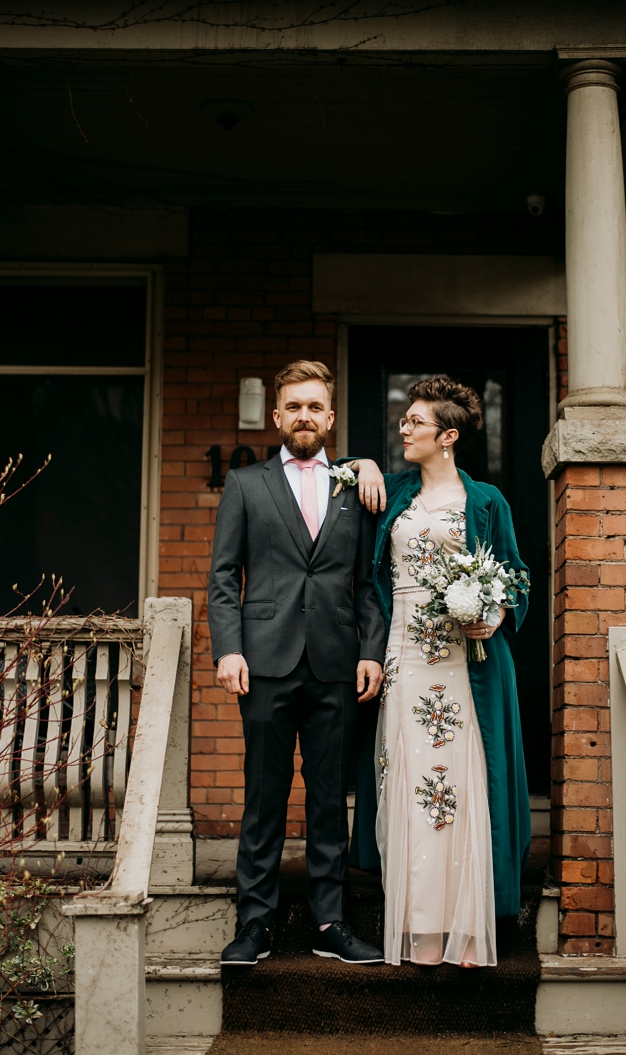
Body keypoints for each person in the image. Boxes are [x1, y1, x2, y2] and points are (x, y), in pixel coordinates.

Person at [348, 375, 532, 968]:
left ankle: (469, 930)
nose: (405, 428)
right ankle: (422, 930)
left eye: (416, 422)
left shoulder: (487, 503)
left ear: (448, 435)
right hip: (405, 655)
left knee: (465, 781)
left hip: (467, 663)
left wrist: (496, 609)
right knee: (410, 778)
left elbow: (516, 573)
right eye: (403, 421)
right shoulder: (394, 490)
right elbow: (335, 471)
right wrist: (365, 463)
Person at [210, 360, 389, 967]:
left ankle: (330, 922)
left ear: (330, 417)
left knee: (326, 800)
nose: (304, 416)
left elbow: (367, 583)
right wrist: (228, 648)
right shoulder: (245, 485)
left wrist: (371, 651)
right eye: (295, 406)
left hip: (337, 664)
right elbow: (222, 578)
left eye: (316, 406)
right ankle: (254, 925)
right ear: (279, 415)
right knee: (263, 797)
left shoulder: (353, 487)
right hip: (262, 662)